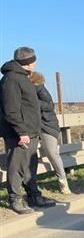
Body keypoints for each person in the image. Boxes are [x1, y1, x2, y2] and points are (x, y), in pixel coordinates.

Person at [0, 47, 55, 214]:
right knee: (16, 166)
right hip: (19, 133)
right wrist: (21, 132)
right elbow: (11, 109)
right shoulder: (11, 79)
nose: (36, 63)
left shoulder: (23, 78)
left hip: (30, 131)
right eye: (33, 60)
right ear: (27, 63)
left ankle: (33, 196)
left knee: (30, 165)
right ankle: (15, 199)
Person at [29, 71, 71, 194]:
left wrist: (32, 102)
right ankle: (31, 183)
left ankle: (63, 181)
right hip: (35, 125)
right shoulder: (32, 89)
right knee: (32, 154)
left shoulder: (40, 89)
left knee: (52, 153)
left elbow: (49, 105)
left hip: (47, 126)